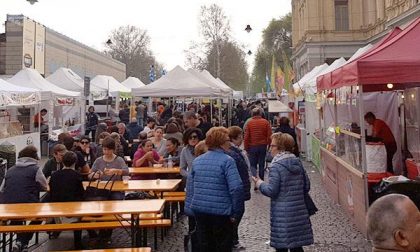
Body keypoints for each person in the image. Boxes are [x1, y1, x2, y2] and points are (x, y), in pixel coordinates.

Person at [253, 133, 314, 252]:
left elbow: (272, 190)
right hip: (298, 211)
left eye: (272, 146)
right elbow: (306, 186)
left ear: (281, 147)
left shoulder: (276, 166)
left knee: (282, 246)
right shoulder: (297, 162)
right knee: (296, 245)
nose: (270, 148)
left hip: (282, 214)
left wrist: (259, 183)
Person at [187, 127, 244, 252]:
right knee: (222, 245)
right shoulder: (227, 161)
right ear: (221, 142)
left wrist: (190, 208)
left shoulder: (197, 161)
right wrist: (236, 212)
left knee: (205, 245)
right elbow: (236, 188)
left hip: (200, 210)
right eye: (228, 140)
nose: (230, 143)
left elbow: (190, 186)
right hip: (221, 212)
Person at [0, 145, 48, 251]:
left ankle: (19, 243)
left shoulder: (11, 170)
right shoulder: (35, 169)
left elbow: (2, 188)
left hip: (7, 206)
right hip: (28, 204)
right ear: (34, 157)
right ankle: (23, 241)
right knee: (40, 217)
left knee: (15, 213)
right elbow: (45, 186)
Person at [49, 151, 85, 249]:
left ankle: (55, 231)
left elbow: (51, 192)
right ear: (75, 163)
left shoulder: (54, 175)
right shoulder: (77, 175)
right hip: (73, 209)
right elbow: (81, 194)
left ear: (62, 162)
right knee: (81, 210)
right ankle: (78, 242)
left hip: (56, 208)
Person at [227, 126, 251, 249]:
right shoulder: (234, 153)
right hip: (238, 188)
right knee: (236, 214)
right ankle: (233, 240)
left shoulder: (235, 151)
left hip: (240, 187)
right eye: (241, 136)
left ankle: (233, 240)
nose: (242, 138)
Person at [244, 108, 272, 188]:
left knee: (252, 165)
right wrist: (269, 145)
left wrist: (246, 148)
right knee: (261, 164)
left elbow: (246, 137)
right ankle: (261, 182)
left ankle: (255, 181)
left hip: (252, 146)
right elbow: (269, 135)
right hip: (262, 146)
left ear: (252, 114)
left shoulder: (249, 123)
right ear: (260, 113)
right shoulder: (265, 122)